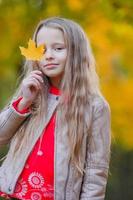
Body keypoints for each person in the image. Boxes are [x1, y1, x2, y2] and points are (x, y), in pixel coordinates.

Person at [0, 17, 111, 200]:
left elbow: (95, 171)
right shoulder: (32, 93)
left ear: (77, 53)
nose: (49, 55)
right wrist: (24, 103)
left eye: (58, 48)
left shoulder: (95, 107)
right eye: (42, 50)